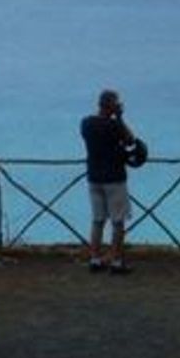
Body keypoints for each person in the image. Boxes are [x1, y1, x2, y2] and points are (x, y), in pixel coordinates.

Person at [80, 89, 136, 274]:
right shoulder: (114, 126)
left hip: (94, 177)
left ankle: (95, 259)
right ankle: (116, 261)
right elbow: (130, 140)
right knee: (118, 222)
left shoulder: (86, 123)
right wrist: (119, 118)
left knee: (97, 220)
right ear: (112, 106)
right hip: (114, 178)